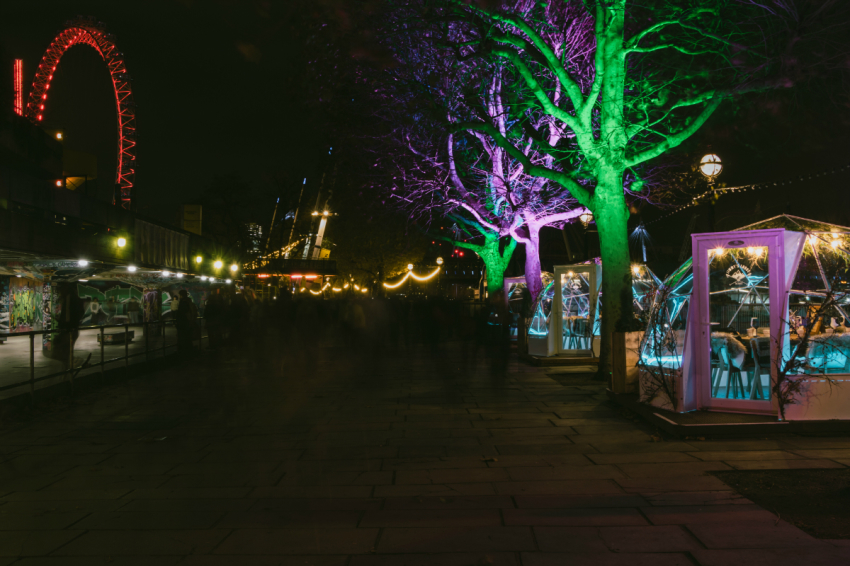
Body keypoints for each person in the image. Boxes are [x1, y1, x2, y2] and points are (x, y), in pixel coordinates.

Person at [175, 290, 198, 355]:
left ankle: (183, 352)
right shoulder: (189, 301)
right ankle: (189, 350)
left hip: (183, 323)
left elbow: (181, 313)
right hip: (188, 322)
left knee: (182, 337)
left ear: (181, 295)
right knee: (188, 337)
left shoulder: (183, 302)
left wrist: (177, 321)